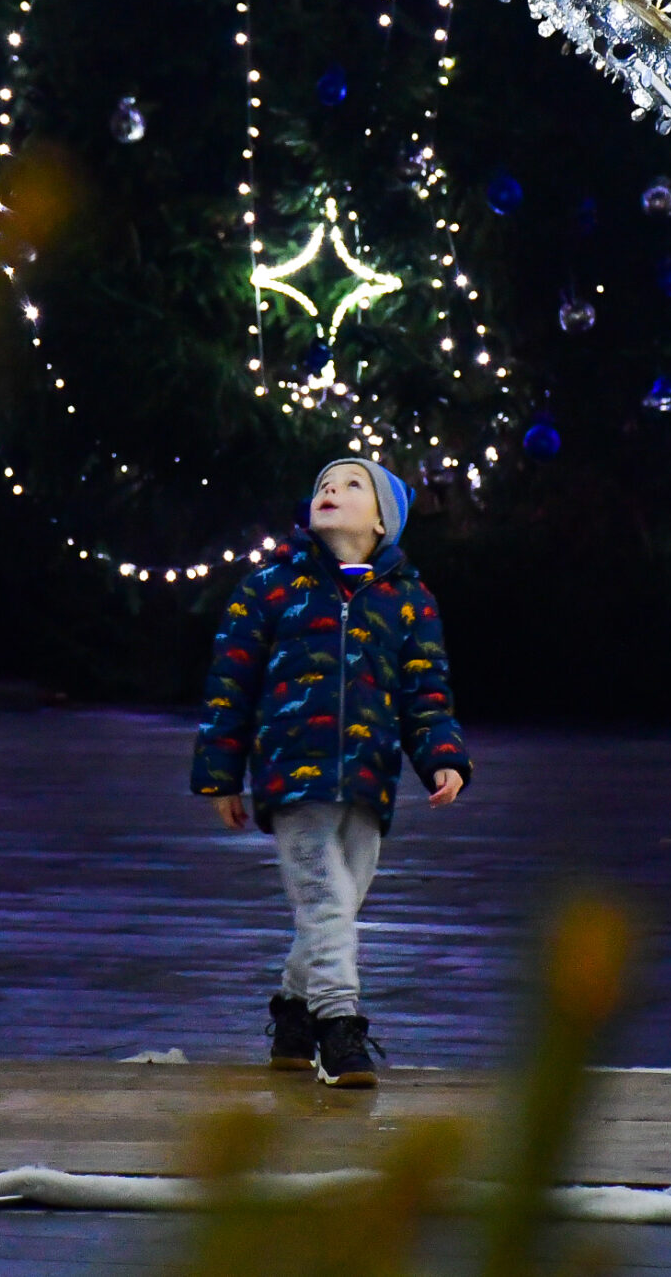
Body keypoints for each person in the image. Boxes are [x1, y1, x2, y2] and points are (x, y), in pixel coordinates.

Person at [189, 458, 471, 1089]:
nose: (330, 493)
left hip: (370, 780)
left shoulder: (408, 600)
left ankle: (292, 1013)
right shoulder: (272, 588)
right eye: (322, 485)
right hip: (294, 774)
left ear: (382, 521)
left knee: (338, 902)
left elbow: (427, 690)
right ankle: (339, 1027)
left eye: (350, 486)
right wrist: (221, 775)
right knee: (324, 900)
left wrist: (442, 758)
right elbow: (230, 684)